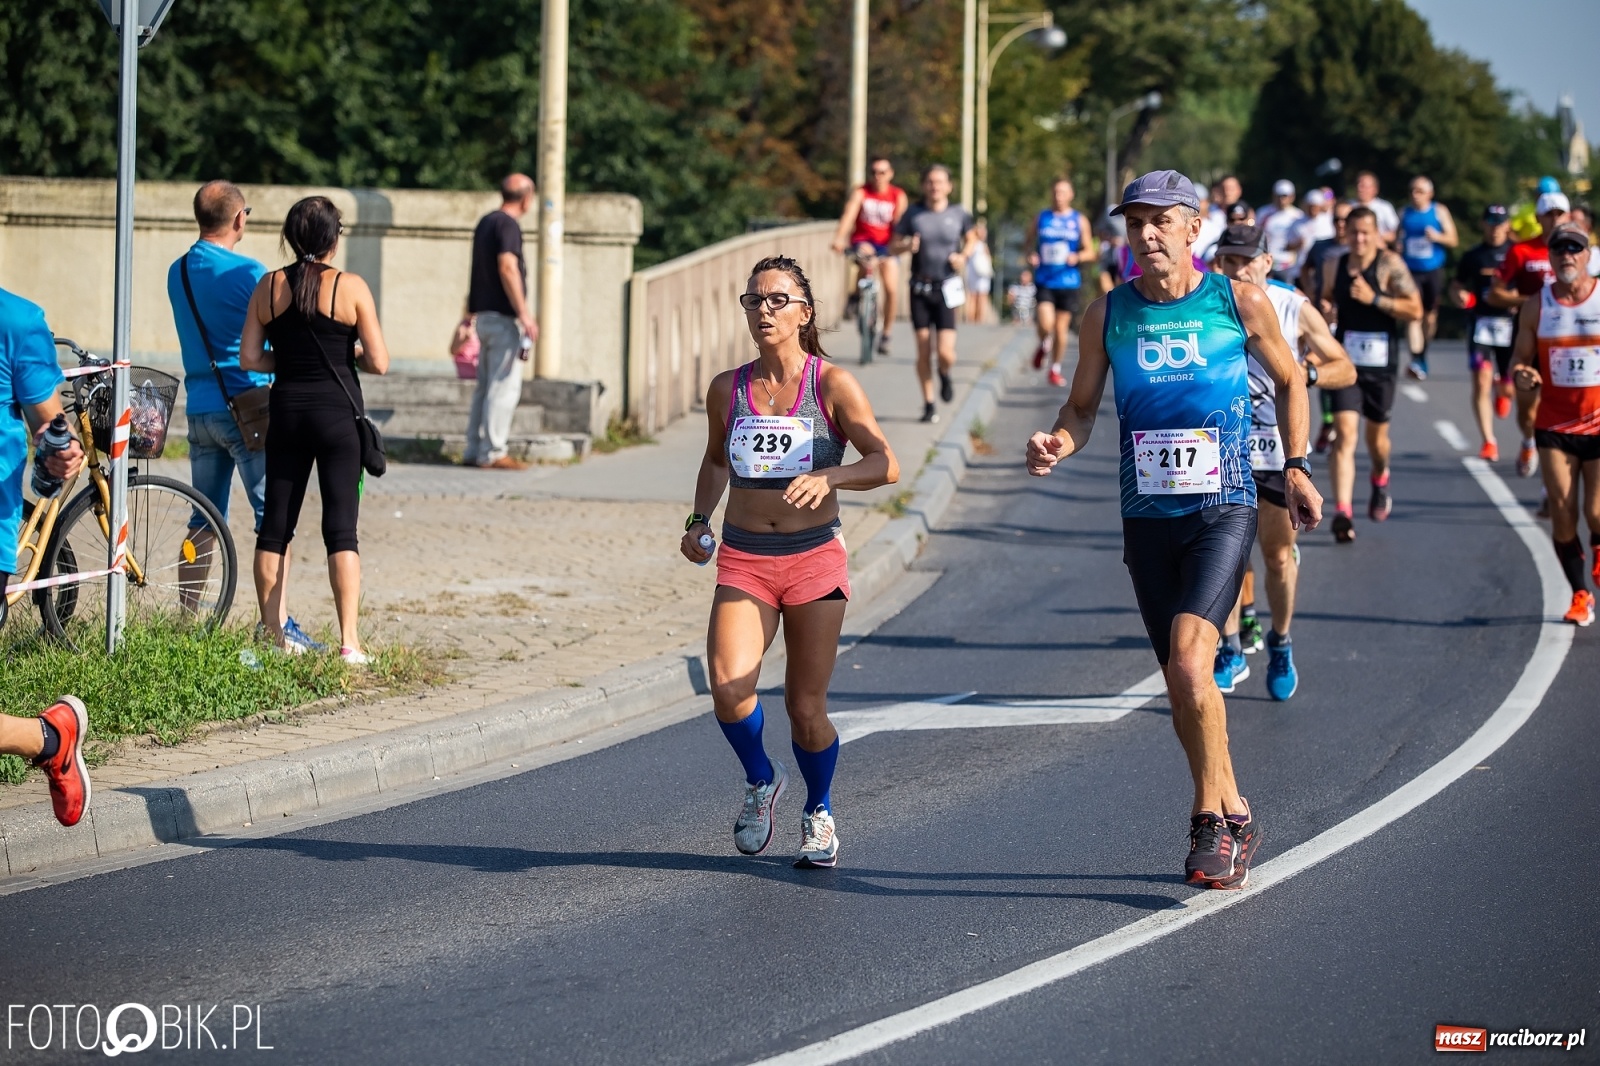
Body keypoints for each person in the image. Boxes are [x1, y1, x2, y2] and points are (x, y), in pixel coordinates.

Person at [1026, 171, 1323, 890]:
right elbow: (1082, 408)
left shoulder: (1236, 300)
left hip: (1223, 506)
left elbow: (1291, 381)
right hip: (1146, 516)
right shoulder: (1107, 314)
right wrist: (1058, 443)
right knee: (1182, 682)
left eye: (1161, 222)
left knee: (1194, 661)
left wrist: (1299, 465)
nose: (1147, 235)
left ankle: (1206, 822)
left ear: (1195, 229)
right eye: (1135, 224)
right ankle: (1237, 808)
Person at [683, 255, 898, 869]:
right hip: (746, 557)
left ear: (805, 313)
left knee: (806, 710)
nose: (764, 311)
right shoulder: (729, 387)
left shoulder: (831, 384)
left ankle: (820, 809)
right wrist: (698, 522)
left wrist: (831, 477)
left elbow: (885, 462)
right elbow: (716, 461)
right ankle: (762, 780)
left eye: (777, 300)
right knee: (728, 687)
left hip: (812, 560)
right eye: (754, 301)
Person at [167, 181, 319, 652]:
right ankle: (276, 626)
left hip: (200, 410)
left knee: (202, 518)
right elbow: (275, 340)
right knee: (271, 518)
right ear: (239, 219)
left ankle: (186, 620)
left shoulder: (178, 272)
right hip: (249, 408)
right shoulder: (251, 272)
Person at [240, 196, 391, 665]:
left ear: (291, 236)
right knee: (341, 530)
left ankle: (270, 638)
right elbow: (380, 361)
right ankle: (350, 642)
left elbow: (250, 358)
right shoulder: (350, 287)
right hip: (337, 418)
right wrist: (350, 356)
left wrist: (285, 360)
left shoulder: (268, 287)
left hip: (286, 413)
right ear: (333, 238)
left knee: (274, 529)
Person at [1208, 224, 1356, 700]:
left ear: (1267, 263)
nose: (1238, 269)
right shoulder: (1209, 304)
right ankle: (1230, 648)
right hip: (1224, 447)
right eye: (1229, 261)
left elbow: (1344, 366)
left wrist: (1304, 373)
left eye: (1246, 260)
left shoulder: (1293, 306)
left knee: (1275, 557)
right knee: (1226, 558)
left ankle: (1281, 642)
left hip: (1279, 451)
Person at [0, 285, 92, 827]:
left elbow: (48, 427)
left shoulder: (16, 320)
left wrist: (59, 451)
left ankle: (52, 738)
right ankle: (51, 738)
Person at [1509, 222, 1600, 626]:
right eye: (1559, 248)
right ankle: (1579, 594)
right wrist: (1522, 375)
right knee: (1563, 512)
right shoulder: (1537, 305)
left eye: (1575, 248)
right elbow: (1518, 360)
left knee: (1596, 513)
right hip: (1555, 426)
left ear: (1588, 255)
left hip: (1598, 424)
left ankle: (1596, 553)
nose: (1567, 255)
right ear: (1549, 255)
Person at [1317, 206, 1423, 542]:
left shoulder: (1390, 264)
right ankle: (1343, 512)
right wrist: (1327, 308)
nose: (1359, 239)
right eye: (1353, 232)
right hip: (1346, 362)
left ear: (1376, 233)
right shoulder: (1335, 263)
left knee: (1376, 441)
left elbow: (1415, 308)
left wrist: (1376, 298)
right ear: (1345, 233)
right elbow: (1326, 298)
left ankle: (1380, 476)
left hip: (1381, 363)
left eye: (1366, 233)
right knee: (1345, 434)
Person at [463, 174, 539, 470]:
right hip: (503, 318)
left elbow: (476, 271)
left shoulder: (486, 222)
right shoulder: (508, 225)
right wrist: (524, 314)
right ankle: (493, 451)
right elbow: (507, 267)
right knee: (503, 387)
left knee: (484, 387)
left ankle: (474, 448)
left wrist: (467, 315)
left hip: (484, 316)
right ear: (526, 197)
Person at [1491, 191, 1568, 481]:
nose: (1555, 219)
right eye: (1549, 214)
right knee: (1527, 410)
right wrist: (1532, 303)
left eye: (1560, 213)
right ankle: (1527, 441)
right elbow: (1496, 291)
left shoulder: (1580, 252)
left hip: (1566, 343)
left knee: (1562, 410)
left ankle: (1553, 479)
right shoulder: (1521, 252)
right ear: (1537, 218)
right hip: (1530, 338)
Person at [893, 164, 978, 424]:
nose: (935, 186)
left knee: (945, 352)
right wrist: (907, 244)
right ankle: (929, 403)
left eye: (940, 182)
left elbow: (973, 239)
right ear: (923, 185)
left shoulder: (959, 213)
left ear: (949, 186)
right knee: (922, 350)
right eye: (930, 181)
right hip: (919, 287)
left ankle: (945, 372)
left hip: (947, 288)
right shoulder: (913, 214)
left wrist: (963, 256)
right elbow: (893, 245)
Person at [1450, 205, 1515, 460]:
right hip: (1482, 326)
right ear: (1483, 225)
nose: (1495, 228)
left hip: (1511, 325)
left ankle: (1504, 388)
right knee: (1480, 380)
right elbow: (1456, 286)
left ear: (1507, 225)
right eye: (1491, 222)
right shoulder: (1473, 256)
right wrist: (1460, 296)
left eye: (1500, 223)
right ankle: (1489, 440)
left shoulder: (1515, 253)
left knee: (1511, 385)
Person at [831, 156, 909, 355]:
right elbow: (849, 215)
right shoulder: (862, 192)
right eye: (874, 172)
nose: (877, 176)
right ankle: (856, 296)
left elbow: (900, 224)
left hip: (888, 244)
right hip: (863, 241)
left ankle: (886, 334)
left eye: (882, 172)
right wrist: (839, 238)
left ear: (890, 174)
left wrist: (897, 246)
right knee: (864, 260)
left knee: (891, 287)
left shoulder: (897, 195)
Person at [1026, 178, 1091, 387]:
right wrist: (1031, 255)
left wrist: (1077, 257)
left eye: (1063, 192)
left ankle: (1055, 368)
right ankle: (1044, 342)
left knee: (1061, 329)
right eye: (1055, 192)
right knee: (1045, 323)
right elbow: (1027, 244)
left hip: (1069, 281)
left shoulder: (1079, 220)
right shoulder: (1041, 218)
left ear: (1071, 195)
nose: (1058, 196)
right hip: (1045, 279)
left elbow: (1090, 250)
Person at [1397, 176, 1459, 381]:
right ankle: (1416, 358)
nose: (1416, 195)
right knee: (1414, 314)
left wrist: (1437, 237)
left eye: (1420, 191)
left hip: (1433, 270)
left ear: (1430, 194)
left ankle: (1423, 352)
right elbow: (1397, 238)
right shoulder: (1404, 212)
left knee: (1429, 316)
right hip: (1410, 271)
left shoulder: (1438, 211)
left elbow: (1453, 240)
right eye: (1413, 190)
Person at [1256, 180, 1305, 285]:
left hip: (1289, 265)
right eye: (1278, 195)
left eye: (1285, 196)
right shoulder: (1263, 213)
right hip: (1267, 263)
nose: (1281, 199)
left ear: (1292, 196)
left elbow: (1302, 241)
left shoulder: (1298, 215)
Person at [1351, 170, 1399, 246]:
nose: (1359, 188)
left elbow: (1396, 232)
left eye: (1363, 186)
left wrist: (1378, 237)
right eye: (1358, 185)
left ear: (1374, 189)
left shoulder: (1384, 207)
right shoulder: (1348, 206)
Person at [965, 221, 996, 324]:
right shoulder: (974, 244)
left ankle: (977, 319)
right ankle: (974, 318)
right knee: (976, 296)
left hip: (979, 273)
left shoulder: (979, 244)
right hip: (977, 273)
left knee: (978, 296)